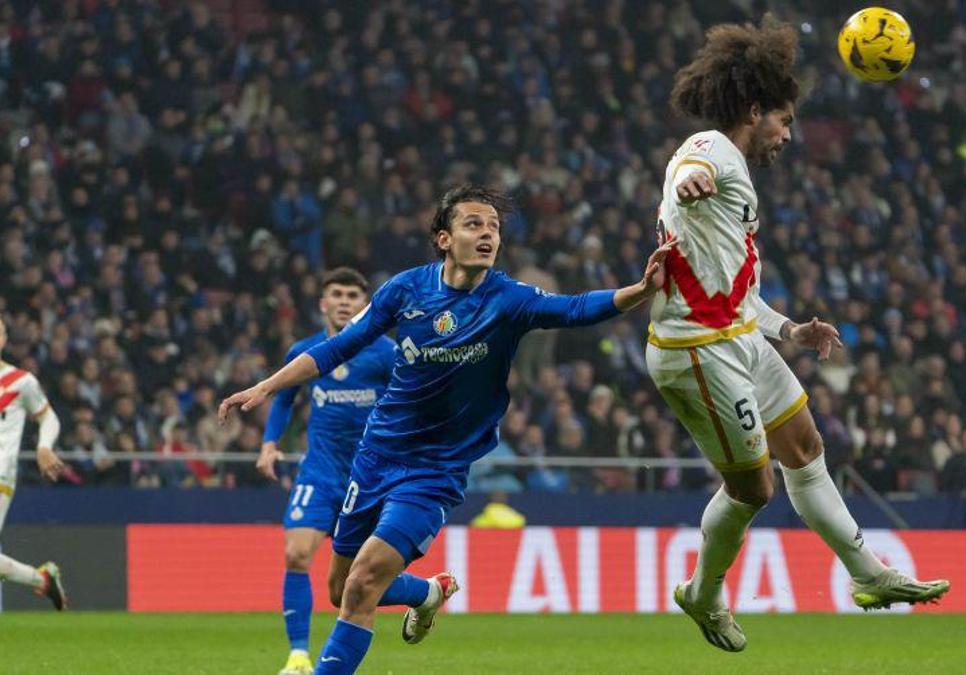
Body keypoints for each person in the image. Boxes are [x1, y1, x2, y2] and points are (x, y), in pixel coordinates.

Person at [219, 185, 670, 674]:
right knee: (340, 587)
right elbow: (336, 349)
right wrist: (266, 387)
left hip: (434, 469)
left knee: (363, 584)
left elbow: (578, 308)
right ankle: (429, 592)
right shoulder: (405, 290)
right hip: (375, 457)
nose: (487, 234)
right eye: (474, 224)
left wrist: (642, 290)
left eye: (494, 227)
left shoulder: (508, 299)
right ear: (443, 237)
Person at [647, 16, 949, 652]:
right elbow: (687, 170)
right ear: (754, 110)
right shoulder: (712, 150)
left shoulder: (738, 171)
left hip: (739, 335)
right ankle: (702, 594)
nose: (789, 134)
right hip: (697, 350)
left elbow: (739, 286)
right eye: (783, 121)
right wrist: (687, 182)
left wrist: (791, 329)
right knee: (753, 488)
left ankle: (870, 576)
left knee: (806, 447)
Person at [259, 268, 397, 675]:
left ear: (364, 305)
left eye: (352, 295)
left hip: (369, 479)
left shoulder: (385, 353)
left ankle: (424, 592)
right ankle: (299, 656)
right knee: (296, 554)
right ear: (322, 303)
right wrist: (270, 444)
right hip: (318, 474)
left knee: (353, 584)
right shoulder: (305, 351)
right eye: (335, 293)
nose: (342, 301)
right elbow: (284, 400)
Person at [0, 318, 68, 610]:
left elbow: (48, 417)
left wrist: (43, 446)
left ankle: (42, 580)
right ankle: (42, 580)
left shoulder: (20, 382)